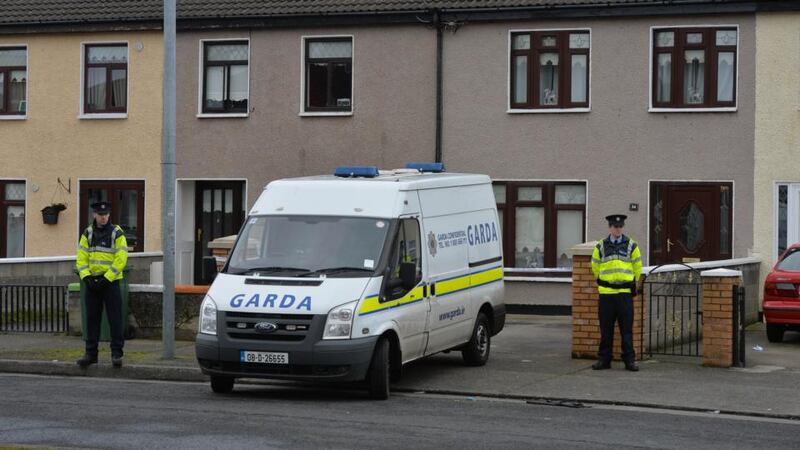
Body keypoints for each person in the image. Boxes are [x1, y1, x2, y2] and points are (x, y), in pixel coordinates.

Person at [75, 201, 128, 368]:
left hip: (110, 282)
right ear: (94, 215)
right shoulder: (87, 233)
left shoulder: (117, 233)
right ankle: (91, 354)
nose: (103, 217)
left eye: (106, 215)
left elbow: (121, 259)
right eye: (100, 215)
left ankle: (116, 354)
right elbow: (81, 258)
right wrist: (86, 277)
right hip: (92, 283)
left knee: (115, 319)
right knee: (92, 320)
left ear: (109, 215)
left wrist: (107, 278)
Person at [590, 214, 642, 371]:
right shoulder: (600, 246)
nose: (617, 229)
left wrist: (631, 282)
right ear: (609, 227)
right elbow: (595, 267)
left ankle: (629, 361)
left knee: (626, 330)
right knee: (606, 329)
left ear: (623, 227)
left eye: (620, 226)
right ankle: (604, 360)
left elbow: (637, 268)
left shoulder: (632, 245)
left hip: (624, 294)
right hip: (606, 294)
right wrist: (604, 281)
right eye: (614, 226)